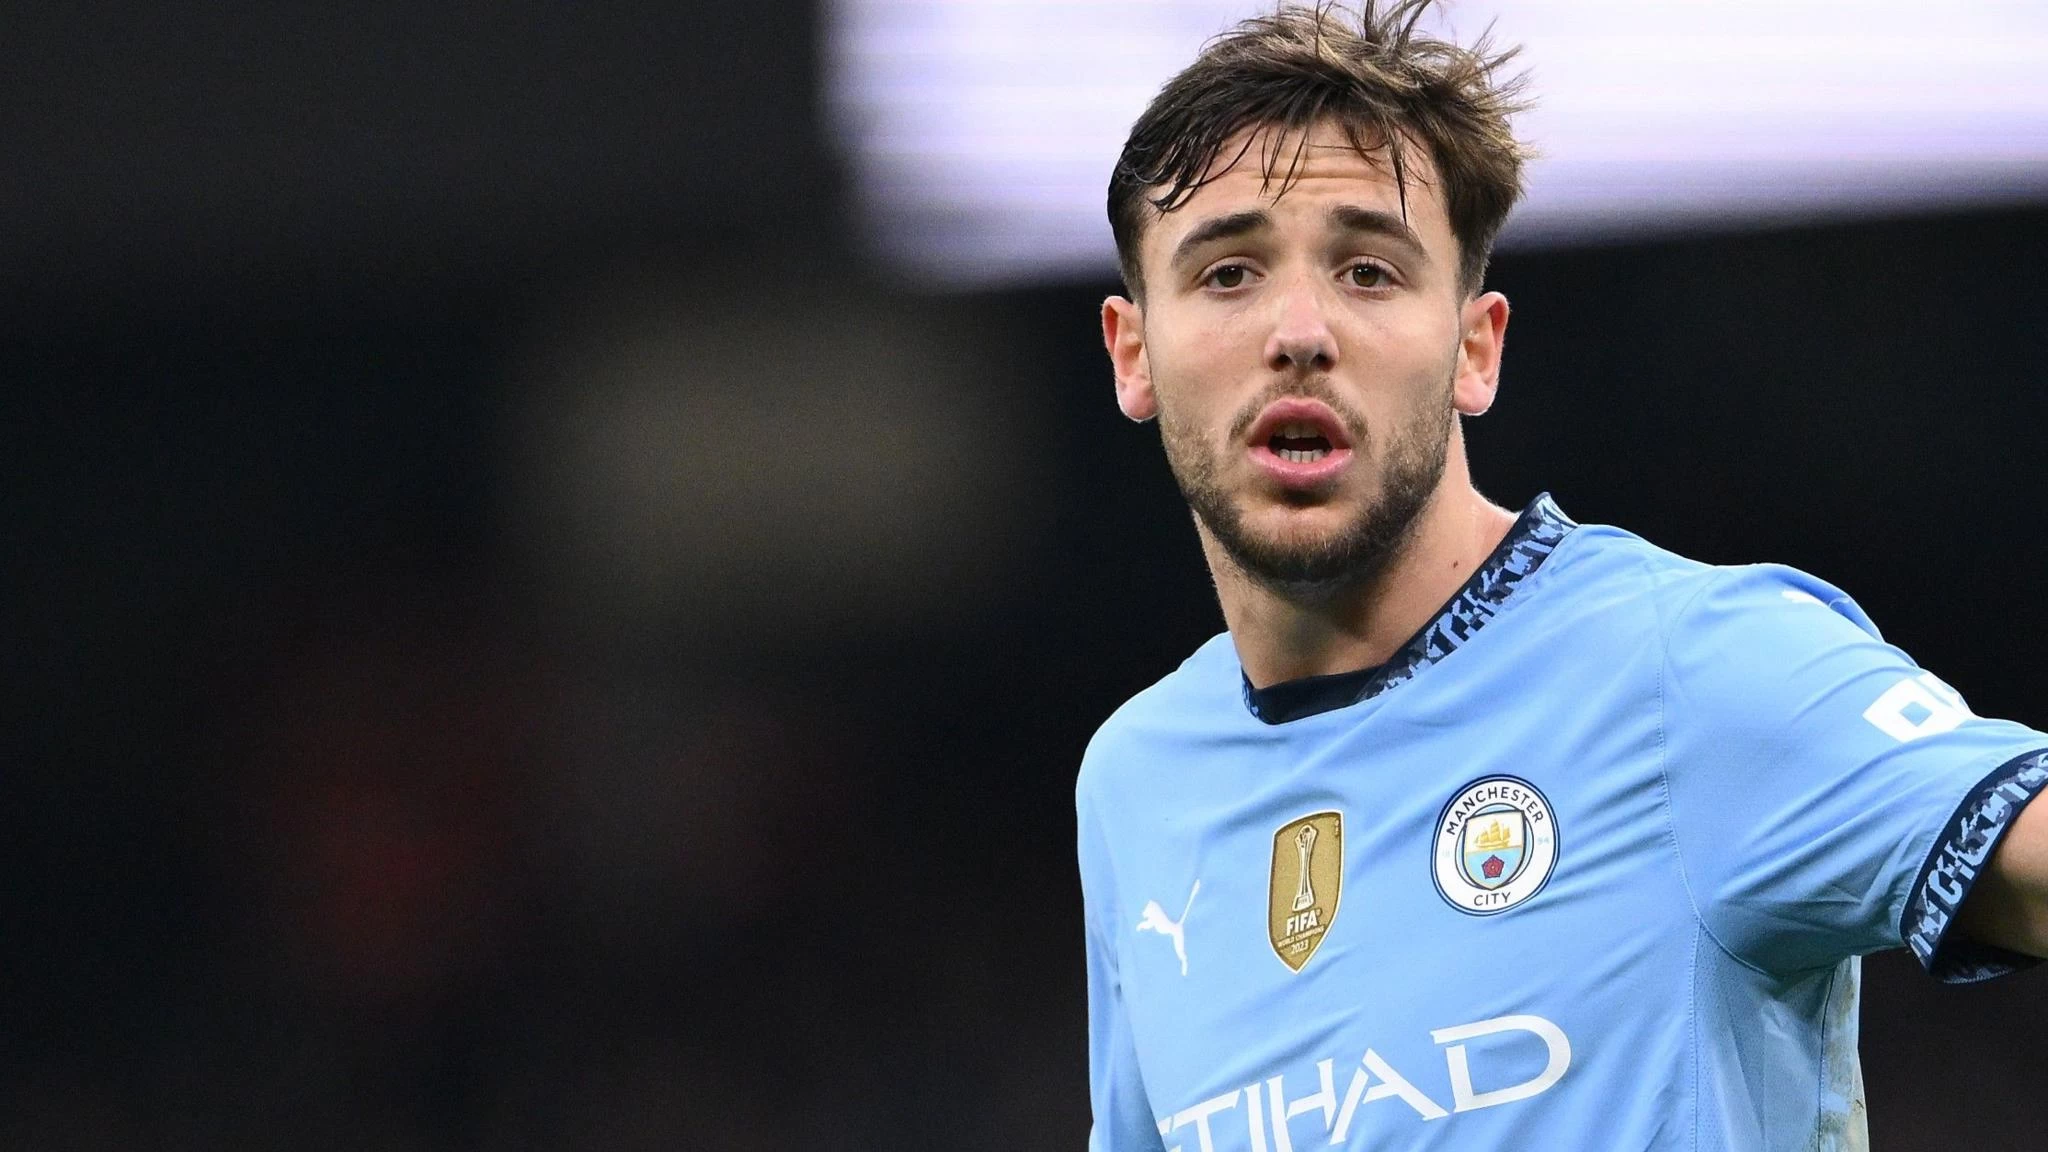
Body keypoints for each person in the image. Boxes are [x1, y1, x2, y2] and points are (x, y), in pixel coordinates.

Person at [1075, 3, 2048, 1149]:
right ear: (1132, 353)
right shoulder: (1134, 781)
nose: (1299, 330)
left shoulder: (1686, 668)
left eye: (1368, 271)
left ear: (1472, 348)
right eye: (1228, 272)